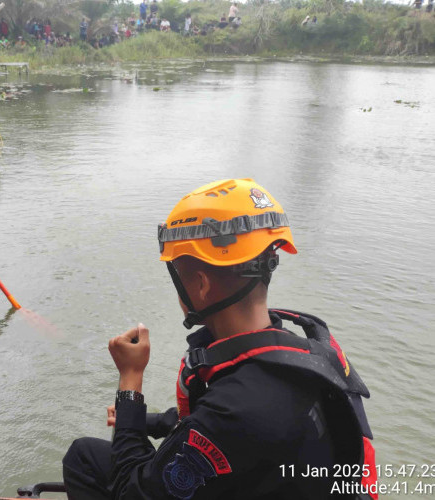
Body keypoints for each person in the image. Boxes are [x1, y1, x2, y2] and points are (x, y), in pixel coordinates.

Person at [61, 179, 377, 499]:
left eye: (177, 273)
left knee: (82, 458)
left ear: (201, 285)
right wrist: (149, 421)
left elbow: (131, 490)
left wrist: (130, 381)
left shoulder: (239, 407)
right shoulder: (298, 352)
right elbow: (225, 426)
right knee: (88, 453)